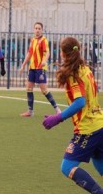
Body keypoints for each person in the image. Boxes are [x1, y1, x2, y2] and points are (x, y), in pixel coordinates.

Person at [42, 37, 103, 194]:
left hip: (87, 128)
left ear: (62, 54)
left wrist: (58, 118)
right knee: (100, 165)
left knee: (67, 167)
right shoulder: (86, 69)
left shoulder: (73, 74)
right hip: (99, 125)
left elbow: (80, 102)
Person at [19, 22, 60, 117]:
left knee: (44, 90)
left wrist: (44, 61)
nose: (37, 30)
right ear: (34, 30)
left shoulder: (43, 40)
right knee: (29, 88)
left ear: (42, 30)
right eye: (36, 28)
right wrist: (23, 65)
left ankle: (57, 109)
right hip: (32, 68)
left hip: (40, 68)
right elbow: (29, 54)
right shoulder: (33, 40)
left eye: (39, 28)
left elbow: (47, 52)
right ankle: (30, 111)